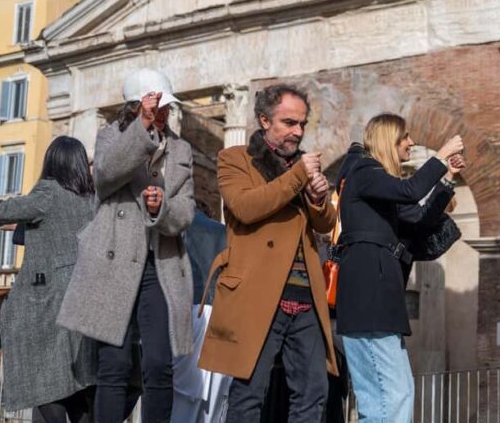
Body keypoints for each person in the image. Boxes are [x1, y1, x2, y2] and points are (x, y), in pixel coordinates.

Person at [57, 68, 196, 423]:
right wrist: (142, 131)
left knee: (159, 365)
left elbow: (185, 211)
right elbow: (104, 176)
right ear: (136, 106)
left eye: (166, 107)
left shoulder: (180, 149)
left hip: (160, 266)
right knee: (114, 366)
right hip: (113, 264)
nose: (163, 113)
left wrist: (159, 208)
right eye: (155, 106)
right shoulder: (111, 137)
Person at [198, 84, 338, 423]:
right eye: (289, 122)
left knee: (313, 394)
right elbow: (245, 207)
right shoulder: (234, 159)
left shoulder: (301, 168)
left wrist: (319, 199)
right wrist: (298, 177)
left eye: (302, 124)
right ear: (264, 120)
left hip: (306, 296)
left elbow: (325, 224)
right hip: (257, 293)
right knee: (248, 395)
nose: (298, 131)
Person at [334, 114, 464, 422]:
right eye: (405, 137)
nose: (411, 143)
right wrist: (440, 156)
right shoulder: (364, 171)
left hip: (376, 299)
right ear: (388, 139)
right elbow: (411, 192)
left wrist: (447, 180)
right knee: (391, 394)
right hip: (369, 297)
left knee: (390, 392)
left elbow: (417, 217)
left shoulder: (378, 186)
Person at [0, 136, 97, 422]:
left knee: (43, 385)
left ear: (52, 162)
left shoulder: (48, 193)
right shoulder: (91, 201)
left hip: (46, 307)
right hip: (84, 304)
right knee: (77, 390)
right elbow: (53, 231)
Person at [172, 201, 232, 423]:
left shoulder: (176, 227)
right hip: (221, 314)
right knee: (215, 406)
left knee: (182, 402)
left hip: (188, 310)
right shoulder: (221, 231)